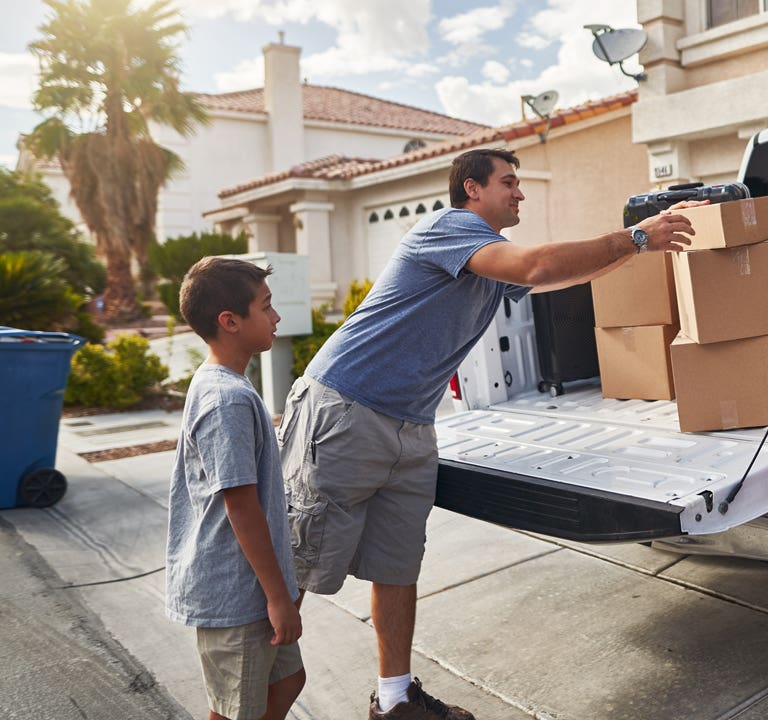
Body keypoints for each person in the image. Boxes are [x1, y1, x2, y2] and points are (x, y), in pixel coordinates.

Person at [278, 147, 695, 720]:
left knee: (397, 566)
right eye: (508, 182)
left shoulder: (487, 261)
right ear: (471, 189)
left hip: (412, 423)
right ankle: (249, 701)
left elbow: (566, 274)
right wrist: (637, 236)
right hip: (347, 408)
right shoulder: (449, 229)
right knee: (297, 562)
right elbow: (537, 267)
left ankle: (394, 700)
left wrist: (637, 247)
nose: (519, 193)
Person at [166, 256, 305, 720]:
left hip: (251, 585)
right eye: (265, 306)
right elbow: (240, 507)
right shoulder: (225, 399)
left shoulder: (228, 386)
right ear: (230, 321)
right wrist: (278, 597)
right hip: (235, 591)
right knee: (234, 710)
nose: (276, 316)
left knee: (286, 680)